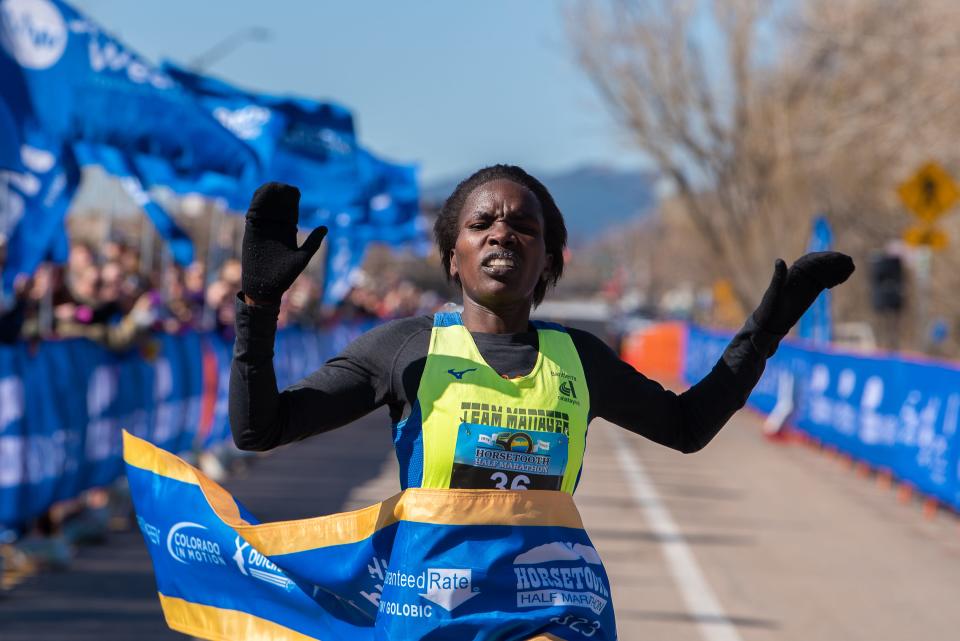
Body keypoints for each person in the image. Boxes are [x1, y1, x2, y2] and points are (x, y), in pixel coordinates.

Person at [230, 165, 855, 494]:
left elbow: (687, 429)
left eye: (523, 226)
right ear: (454, 255)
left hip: (551, 616)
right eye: (482, 224)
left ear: (549, 259)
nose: (503, 232)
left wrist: (766, 330)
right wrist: (258, 306)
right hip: (433, 620)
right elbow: (260, 429)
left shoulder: (579, 359)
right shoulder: (404, 350)